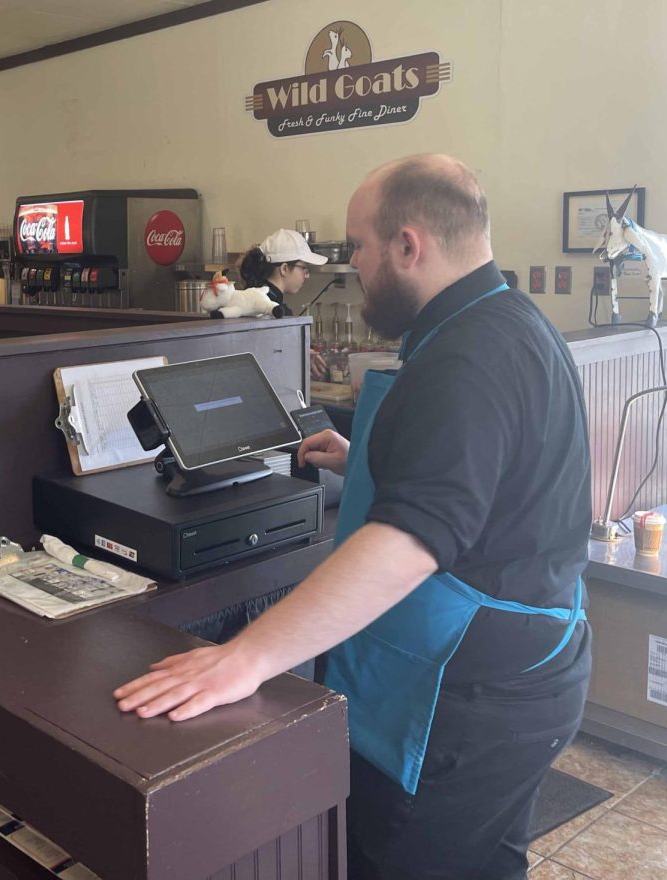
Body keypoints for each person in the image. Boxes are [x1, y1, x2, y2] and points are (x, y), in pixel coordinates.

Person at [114, 154, 592, 880]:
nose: (354, 266)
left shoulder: (469, 358)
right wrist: (363, 455)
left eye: (358, 247)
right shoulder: (505, 318)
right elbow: (484, 474)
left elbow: (411, 541)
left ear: (409, 245)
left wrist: (245, 658)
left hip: (465, 697)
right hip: (533, 666)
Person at [240, 228, 329, 379]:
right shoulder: (272, 309)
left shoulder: (254, 297)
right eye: (304, 269)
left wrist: (300, 352)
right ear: (285, 269)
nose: (306, 276)